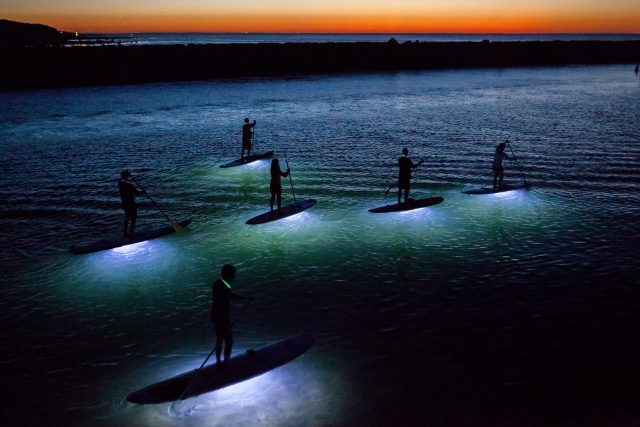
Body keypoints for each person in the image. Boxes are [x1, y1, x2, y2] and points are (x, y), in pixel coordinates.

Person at [211, 264, 253, 367]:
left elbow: (228, 295)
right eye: (233, 274)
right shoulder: (223, 285)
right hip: (221, 316)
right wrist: (246, 298)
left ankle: (219, 362)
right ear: (228, 274)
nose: (234, 277)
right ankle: (225, 363)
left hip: (216, 314)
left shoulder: (220, 283)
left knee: (220, 338)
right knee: (228, 341)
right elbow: (231, 296)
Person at [117, 170, 144, 237]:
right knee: (133, 217)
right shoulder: (128, 184)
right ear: (125, 176)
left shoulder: (120, 182)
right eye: (127, 176)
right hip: (130, 203)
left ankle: (125, 233)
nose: (128, 177)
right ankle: (131, 233)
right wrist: (143, 192)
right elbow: (136, 192)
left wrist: (126, 175)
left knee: (127, 217)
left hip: (124, 203)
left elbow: (122, 180)